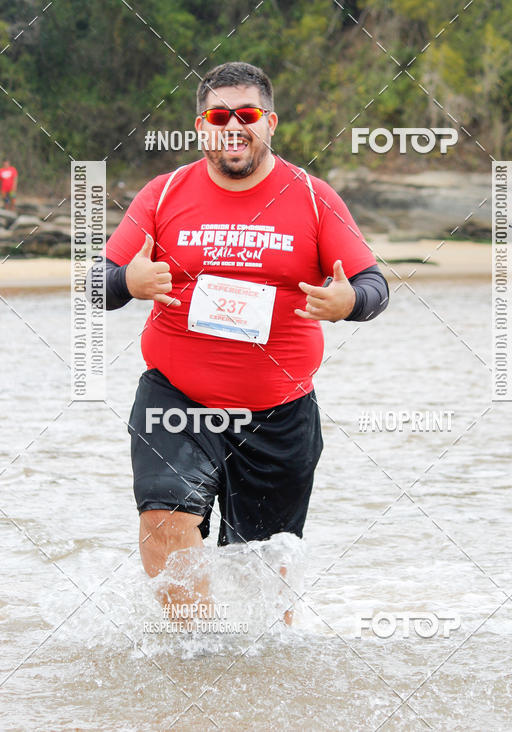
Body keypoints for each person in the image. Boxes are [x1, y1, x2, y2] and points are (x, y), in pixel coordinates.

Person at [98, 62, 389, 615]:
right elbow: (97, 283)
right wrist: (129, 282)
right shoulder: (163, 196)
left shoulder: (312, 196)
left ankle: (255, 683)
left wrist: (350, 302)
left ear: (270, 122)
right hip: (178, 399)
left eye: (246, 115)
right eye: (218, 115)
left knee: (262, 577)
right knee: (166, 521)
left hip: (279, 412)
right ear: (201, 127)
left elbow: (374, 285)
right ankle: (194, 660)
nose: (233, 126)